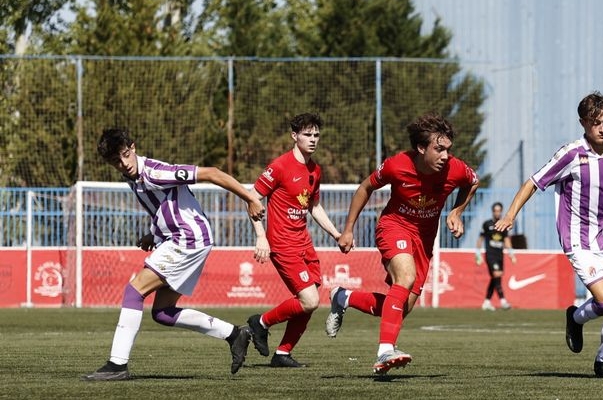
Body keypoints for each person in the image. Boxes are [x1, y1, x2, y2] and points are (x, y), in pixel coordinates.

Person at [83, 128, 265, 381]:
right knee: (163, 313)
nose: (124, 164)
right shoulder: (133, 178)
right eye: (116, 161)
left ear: (133, 148)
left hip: (187, 240)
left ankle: (117, 365)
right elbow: (164, 208)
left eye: (125, 155)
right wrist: (153, 234)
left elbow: (211, 173)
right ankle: (234, 334)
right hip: (184, 240)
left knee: (134, 292)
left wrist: (249, 199)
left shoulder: (155, 172)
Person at [495, 91, 603, 378]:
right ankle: (575, 318)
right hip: (579, 241)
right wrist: (511, 214)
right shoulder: (571, 154)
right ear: (583, 123)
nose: (602, 128)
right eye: (595, 122)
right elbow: (533, 182)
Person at [326, 112, 479, 374]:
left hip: (424, 239)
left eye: (448, 150)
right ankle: (386, 350)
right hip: (393, 227)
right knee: (404, 277)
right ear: (421, 148)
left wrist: (457, 211)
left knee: (399, 307)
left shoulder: (455, 168)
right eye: (439, 149)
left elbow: (473, 183)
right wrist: (348, 229)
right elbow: (365, 188)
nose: (445, 156)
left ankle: (344, 297)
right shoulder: (397, 165)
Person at [245, 113, 341, 368]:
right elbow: (252, 198)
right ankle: (260, 323)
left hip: (304, 243)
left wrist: (336, 234)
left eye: (316, 135)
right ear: (294, 136)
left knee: (308, 304)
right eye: (307, 134)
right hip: (282, 243)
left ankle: (282, 354)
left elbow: (315, 207)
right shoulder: (279, 166)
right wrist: (261, 237)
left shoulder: (315, 170)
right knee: (310, 300)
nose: (313, 140)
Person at [475, 201, 516, 310]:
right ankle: (503, 301)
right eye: (495, 211)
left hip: (499, 255)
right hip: (490, 254)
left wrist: (511, 253)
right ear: (493, 212)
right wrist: (477, 253)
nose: (497, 213)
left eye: (499, 211)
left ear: (501, 212)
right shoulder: (487, 224)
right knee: (497, 275)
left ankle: (486, 302)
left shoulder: (503, 225)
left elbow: (506, 240)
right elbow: (480, 238)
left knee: (495, 278)